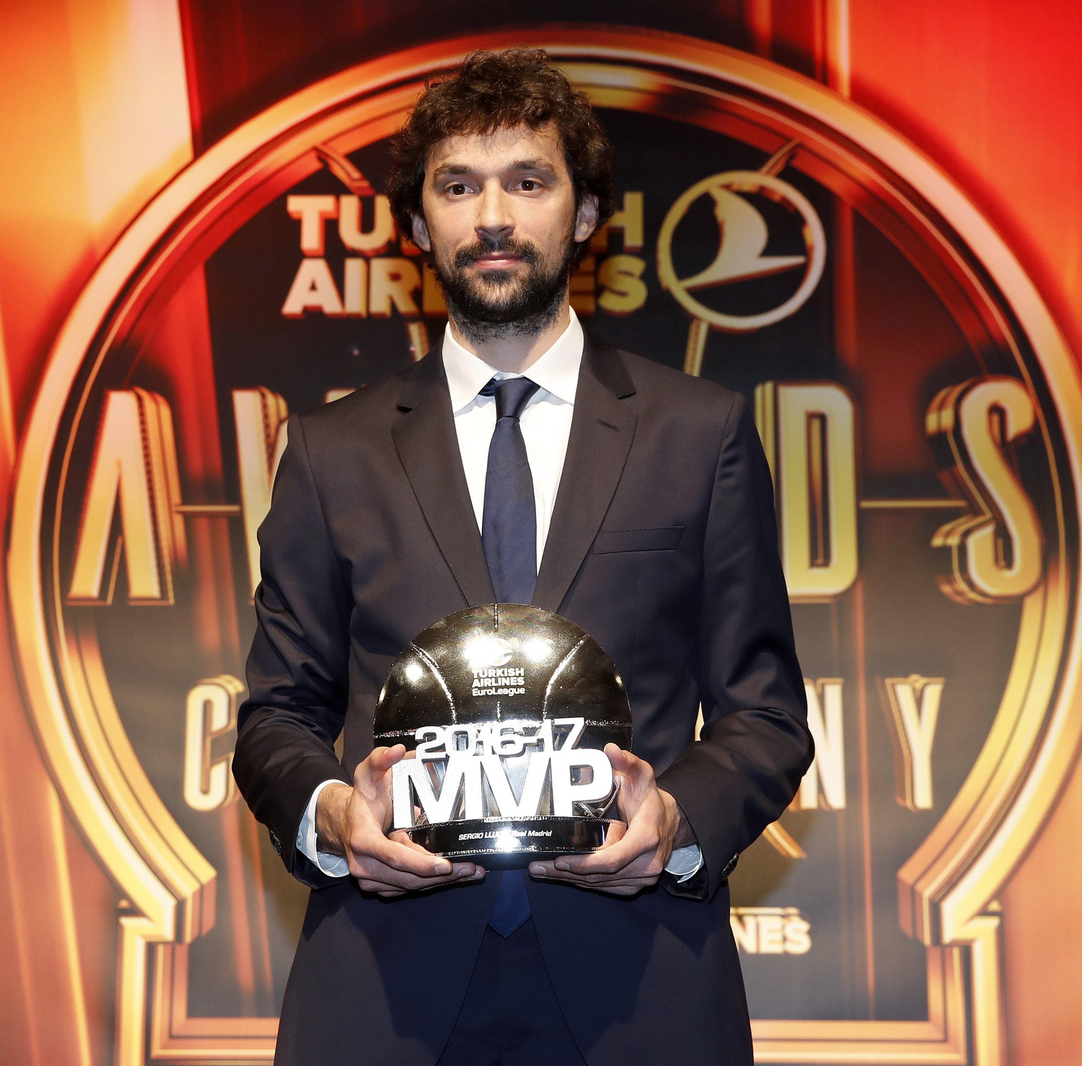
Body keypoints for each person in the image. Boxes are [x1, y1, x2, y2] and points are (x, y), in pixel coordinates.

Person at [234, 47, 812, 1066]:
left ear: (585, 214)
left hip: (641, 986)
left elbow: (763, 717)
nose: (492, 217)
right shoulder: (331, 450)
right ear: (419, 225)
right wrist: (333, 814)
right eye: (458, 186)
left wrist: (677, 820)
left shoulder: (700, 432)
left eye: (528, 182)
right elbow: (276, 715)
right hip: (383, 988)